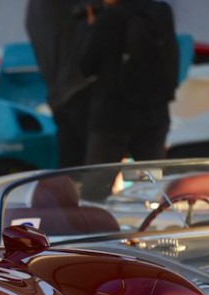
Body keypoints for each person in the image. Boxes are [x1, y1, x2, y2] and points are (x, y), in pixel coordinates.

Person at [78, 0, 178, 165]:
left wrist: (89, 28)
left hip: (113, 114)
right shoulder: (161, 12)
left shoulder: (108, 18)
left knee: (98, 182)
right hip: (154, 112)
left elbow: (86, 66)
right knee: (153, 179)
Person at [25, 0, 95, 169]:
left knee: (73, 167)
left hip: (60, 92)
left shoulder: (35, 9)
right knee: (98, 168)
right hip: (83, 87)